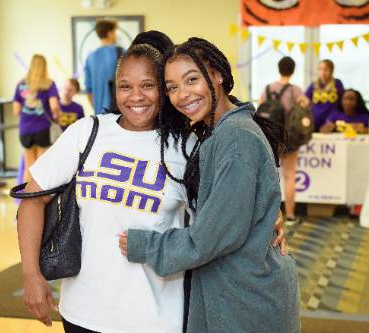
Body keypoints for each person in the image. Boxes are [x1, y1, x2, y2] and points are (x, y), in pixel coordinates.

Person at [120, 37, 300, 333]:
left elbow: (213, 237)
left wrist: (145, 245)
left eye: (192, 80)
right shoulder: (219, 132)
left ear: (217, 75)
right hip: (236, 288)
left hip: (248, 298)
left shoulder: (235, 138)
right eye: (172, 87)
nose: (182, 95)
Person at [18, 42, 194, 333]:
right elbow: (32, 200)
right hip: (84, 313)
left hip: (155, 318)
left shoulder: (185, 147)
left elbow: (213, 226)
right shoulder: (88, 132)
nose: (136, 96)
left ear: (163, 89)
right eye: (126, 86)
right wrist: (30, 274)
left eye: (148, 85)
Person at [259, 56, 309, 225]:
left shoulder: (267, 89)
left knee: (268, 177)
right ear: (293, 70)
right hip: (288, 139)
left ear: (279, 68)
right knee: (289, 176)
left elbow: (259, 110)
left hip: (270, 138)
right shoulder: (295, 90)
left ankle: (268, 216)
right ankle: (290, 216)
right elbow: (305, 106)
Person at [13, 54, 60, 182]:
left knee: (29, 166)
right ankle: (40, 200)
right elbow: (54, 106)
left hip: (25, 130)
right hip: (42, 128)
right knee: (41, 167)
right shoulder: (49, 84)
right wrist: (57, 118)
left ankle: (25, 199)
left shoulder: (21, 85)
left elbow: (16, 111)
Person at [84, 19, 122, 115]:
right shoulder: (122, 52)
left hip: (99, 114)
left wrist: (98, 108)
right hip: (119, 113)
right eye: (115, 32)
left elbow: (88, 91)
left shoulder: (90, 57)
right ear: (110, 33)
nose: (116, 35)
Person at [305, 59, 345, 130]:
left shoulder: (337, 83)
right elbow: (305, 99)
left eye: (326, 70)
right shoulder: (314, 85)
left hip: (331, 122)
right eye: (320, 69)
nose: (322, 72)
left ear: (331, 71)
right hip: (315, 121)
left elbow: (343, 102)